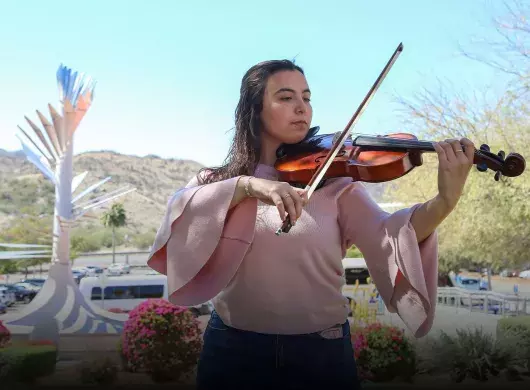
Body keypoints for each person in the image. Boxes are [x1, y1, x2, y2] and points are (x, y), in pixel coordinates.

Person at [147, 59, 475, 389]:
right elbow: (182, 211)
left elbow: (392, 235)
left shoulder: (337, 185)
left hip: (321, 351)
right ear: (254, 108)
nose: (301, 108)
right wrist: (249, 185)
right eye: (286, 97)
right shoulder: (217, 183)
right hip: (233, 348)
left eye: (307, 97)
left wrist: (445, 200)